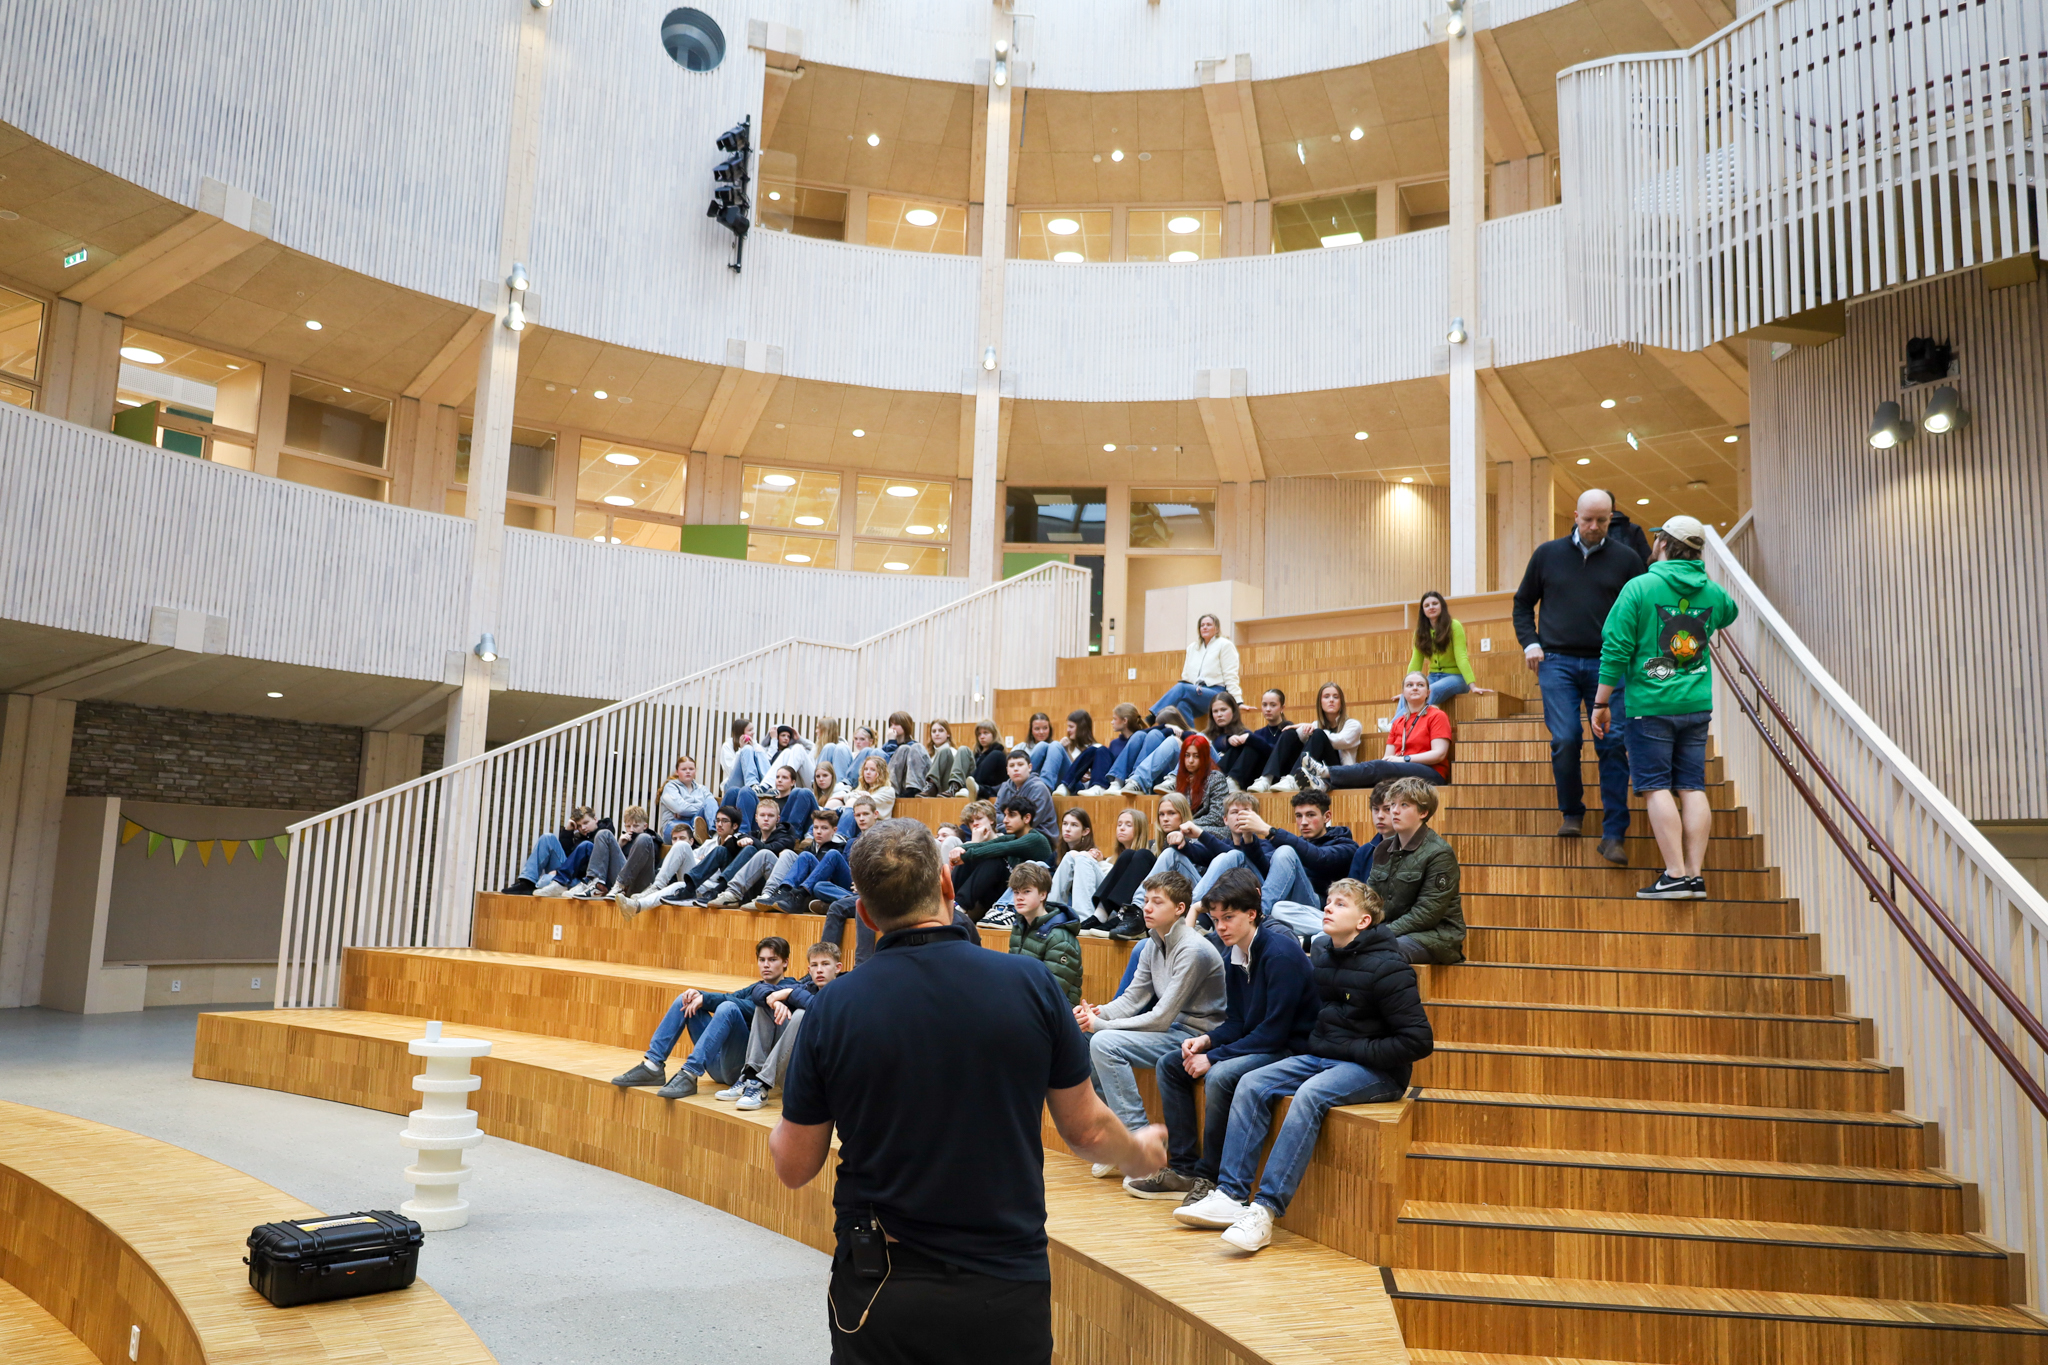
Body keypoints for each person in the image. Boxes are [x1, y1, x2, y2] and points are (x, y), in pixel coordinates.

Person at [769, 819, 1165, 1365]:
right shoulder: (1030, 984)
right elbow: (1088, 1128)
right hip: (1005, 1283)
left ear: (863, 913)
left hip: (882, 1282)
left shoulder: (834, 1007)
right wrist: (1140, 1154)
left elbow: (794, 1166)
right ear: (948, 888)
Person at [1174, 878, 1431, 1253]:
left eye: (1340, 904)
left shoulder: (1391, 968)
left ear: (1363, 921)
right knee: (1251, 1082)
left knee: (1309, 1096)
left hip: (1378, 1072)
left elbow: (1417, 1041)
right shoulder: (1325, 951)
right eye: (1328, 901)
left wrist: (1350, 1047)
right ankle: (1230, 1195)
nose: (1327, 907)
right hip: (1325, 1055)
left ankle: (1264, 1212)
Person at [1125, 867, 1318, 1206]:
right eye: (1215, 920)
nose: (1221, 927)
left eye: (1228, 918)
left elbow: (1273, 1033)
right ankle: (1183, 1169)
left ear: (1252, 914)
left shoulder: (1281, 953)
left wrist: (1213, 1057)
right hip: (1264, 1039)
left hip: (1292, 1048)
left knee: (1221, 1076)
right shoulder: (1234, 954)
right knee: (1171, 1064)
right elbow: (1238, 1022)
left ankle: (1209, 1178)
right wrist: (1207, 1041)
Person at [1594, 514, 1738, 900]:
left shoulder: (1639, 587)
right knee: (1692, 786)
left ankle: (1674, 874)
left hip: (1651, 705)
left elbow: (1616, 648)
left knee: (1654, 787)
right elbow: (1729, 612)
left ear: (1662, 544)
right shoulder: (1710, 590)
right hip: (1695, 704)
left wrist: (1601, 702)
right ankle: (1694, 875)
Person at [1513, 488, 1646, 864]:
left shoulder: (1627, 559)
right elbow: (1523, 604)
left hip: (1609, 663)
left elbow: (1643, 610)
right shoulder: (1547, 555)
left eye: (1602, 521)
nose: (1593, 527)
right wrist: (1530, 643)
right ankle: (1572, 812)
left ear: (1611, 519)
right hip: (1556, 661)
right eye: (1587, 519)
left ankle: (1615, 832)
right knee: (1567, 738)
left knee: (1613, 742)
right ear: (1575, 515)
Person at [1074, 869, 1226, 1175]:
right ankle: (1118, 1143)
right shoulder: (1151, 943)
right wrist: (1097, 1013)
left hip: (1197, 1036)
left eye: (1157, 902)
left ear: (1180, 909)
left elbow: (1160, 1018)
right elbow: (1132, 1000)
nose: (1147, 907)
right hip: (1172, 1030)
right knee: (1083, 1040)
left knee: (1103, 1042)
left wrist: (1101, 1026)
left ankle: (1142, 1149)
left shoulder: (1193, 949)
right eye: (1146, 901)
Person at [610, 935, 805, 1099]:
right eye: (762, 960)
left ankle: (689, 1073)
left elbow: (748, 1007)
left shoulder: (790, 990)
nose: (766, 965)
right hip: (717, 1062)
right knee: (685, 999)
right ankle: (652, 1065)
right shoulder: (756, 987)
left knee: (728, 1008)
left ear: (785, 962)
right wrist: (698, 994)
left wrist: (706, 999)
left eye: (772, 960)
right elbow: (732, 996)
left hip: (742, 1069)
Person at [1197, 789, 1357, 938]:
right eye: (1299, 816)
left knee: (1286, 851)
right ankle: (1190, 912)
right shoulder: (1297, 843)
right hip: (1281, 904)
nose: (1304, 822)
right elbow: (1266, 868)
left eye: (1310, 815)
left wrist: (1268, 830)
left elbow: (1319, 858)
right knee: (1233, 855)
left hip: (1312, 905)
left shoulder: (1345, 844)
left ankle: (1257, 916)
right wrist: (1248, 837)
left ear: (1327, 817)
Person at [717, 940, 843, 1111]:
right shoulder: (805, 987)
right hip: (793, 1073)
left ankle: (761, 1082)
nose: (819, 969)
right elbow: (759, 991)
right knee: (765, 1007)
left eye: (825, 964)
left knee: (800, 1014)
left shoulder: (845, 992)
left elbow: (822, 1009)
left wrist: (790, 993)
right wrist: (775, 1000)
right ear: (809, 970)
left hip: (822, 1079)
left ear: (838, 968)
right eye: (814, 965)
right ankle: (751, 1076)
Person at [1368, 776, 1466, 965]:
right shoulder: (1383, 847)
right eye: (1393, 804)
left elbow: (1426, 914)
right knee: (1326, 943)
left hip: (1435, 937)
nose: (1394, 811)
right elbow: (1369, 898)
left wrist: (1379, 933)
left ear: (1423, 812)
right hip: (1391, 930)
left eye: (1404, 805)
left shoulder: (1439, 853)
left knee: (1383, 951)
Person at [1300, 671, 1454, 790]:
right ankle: (1325, 785)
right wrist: (1395, 762)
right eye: (1410, 685)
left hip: (1432, 774)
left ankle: (1325, 772)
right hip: (1402, 773)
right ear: (1403, 693)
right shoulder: (1398, 722)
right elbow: (1388, 758)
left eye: (1420, 685)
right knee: (1376, 775)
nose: (1414, 687)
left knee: (1379, 767)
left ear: (1428, 692)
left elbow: (1439, 754)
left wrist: (1403, 760)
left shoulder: (1437, 715)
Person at [620, 803, 747, 914]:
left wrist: (702, 861)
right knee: (681, 845)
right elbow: (690, 859)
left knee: (680, 885)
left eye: (724, 821)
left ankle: (638, 906)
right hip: (697, 881)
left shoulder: (740, 842)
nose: (719, 824)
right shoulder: (710, 842)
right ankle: (657, 886)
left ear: (734, 826)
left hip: (714, 887)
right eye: (717, 820)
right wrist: (701, 861)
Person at [949, 794, 1056, 923]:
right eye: (1005, 815)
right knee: (971, 858)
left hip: (1025, 897)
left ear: (1027, 818)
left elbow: (1002, 848)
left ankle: (961, 905)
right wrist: (961, 850)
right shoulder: (1011, 837)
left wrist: (965, 855)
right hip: (1003, 893)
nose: (1005, 820)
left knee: (995, 861)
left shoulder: (1036, 839)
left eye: (1011, 815)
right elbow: (985, 845)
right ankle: (949, 902)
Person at [1247, 682, 1362, 793]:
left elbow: (1339, 741)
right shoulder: (1316, 724)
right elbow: (1299, 737)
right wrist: (1299, 728)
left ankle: (1293, 778)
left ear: (1341, 702)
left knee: (1318, 734)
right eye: (1326, 697)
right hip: (1316, 772)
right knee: (1290, 733)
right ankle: (1266, 778)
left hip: (1338, 773)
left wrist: (1310, 728)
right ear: (1320, 702)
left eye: (1335, 697)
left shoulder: (1353, 725)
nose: (1331, 700)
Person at [1396, 590, 1491, 718]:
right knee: (1409, 692)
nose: (1431, 607)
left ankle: (1395, 725)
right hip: (1433, 676)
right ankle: (1398, 726)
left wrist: (1472, 686)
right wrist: (1405, 689)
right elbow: (1416, 661)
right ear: (1423, 610)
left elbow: (1461, 657)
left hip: (1456, 677)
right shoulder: (1420, 632)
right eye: (1427, 605)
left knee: (1429, 691)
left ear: (1442, 606)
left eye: (1435, 603)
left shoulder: (1454, 626)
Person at [1005, 862, 1084, 1005]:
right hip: (1025, 1005)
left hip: (1054, 1016)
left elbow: (1052, 991)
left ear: (1043, 895)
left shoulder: (1060, 937)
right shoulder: (1019, 926)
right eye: (1016, 892)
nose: (1019, 897)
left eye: (1026, 891)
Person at [700, 793, 796, 907]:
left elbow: (768, 849)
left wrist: (748, 839)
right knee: (722, 850)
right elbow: (732, 850)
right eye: (762, 815)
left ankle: (725, 891)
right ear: (756, 818)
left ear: (777, 819)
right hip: (749, 888)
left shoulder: (786, 836)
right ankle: (693, 887)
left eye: (770, 816)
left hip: (773, 887)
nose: (766, 819)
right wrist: (735, 839)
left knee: (757, 851)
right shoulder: (753, 834)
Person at [1076, 808, 1156, 941]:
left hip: (1141, 909)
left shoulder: (1151, 854)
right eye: (1119, 825)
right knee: (1127, 854)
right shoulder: (1115, 858)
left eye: (1128, 825)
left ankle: (1122, 916)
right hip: (1114, 909)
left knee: (1140, 854)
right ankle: (1099, 916)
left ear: (1140, 829)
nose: (1122, 828)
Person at [552, 804, 661, 900]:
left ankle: (619, 885)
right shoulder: (625, 839)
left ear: (645, 826)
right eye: (628, 826)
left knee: (644, 838)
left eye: (636, 826)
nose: (631, 829)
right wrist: (620, 845)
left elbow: (644, 867)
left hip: (641, 884)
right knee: (604, 833)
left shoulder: (652, 841)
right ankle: (595, 882)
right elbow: (616, 864)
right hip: (618, 887)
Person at [1148, 613, 1243, 723]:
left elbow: (1230, 674)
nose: (1205, 627)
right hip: (1196, 691)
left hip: (1217, 693)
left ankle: (1153, 716)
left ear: (1216, 629)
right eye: (1202, 625)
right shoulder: (1192, 648)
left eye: (1208, 624)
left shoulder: (1225, 645)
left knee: (1182, 688)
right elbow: (1186, 676)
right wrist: (1193, 688)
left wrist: (1237, 701)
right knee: (1181, 705)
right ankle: (1191, 736)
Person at [755, 808, 852, 915]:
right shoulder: (809, 850)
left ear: (834, 830)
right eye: (816, 827)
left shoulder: (841, 847)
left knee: (832, 854)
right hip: (818, 888)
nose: (819, 832)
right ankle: (783, 892)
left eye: (824, 828)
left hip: (838, 886)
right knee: (805, 856)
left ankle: (800, 895)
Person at [505, 806, 600, 895]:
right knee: (547, 837)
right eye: (579, 826)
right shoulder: (579, 838)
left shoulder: (603, 837)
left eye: (586, 823)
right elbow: (565, 857)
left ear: (595, 820)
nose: (582, 828)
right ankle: (528, 882)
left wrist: (558, 872)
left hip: (581, 883)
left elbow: (591, 867)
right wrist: (568, 831)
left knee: (546, 880)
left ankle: (541, 884)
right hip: (565, 876)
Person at [1151, 792, 1231, 896]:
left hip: (1199, 894)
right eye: (1161, 814)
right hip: (1167, 896)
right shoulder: (1154, 845)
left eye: (1171, 813)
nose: (1165, 819)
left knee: (1170, 853)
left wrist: (1184, 844)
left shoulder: (1200, 840)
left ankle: (1140, 905)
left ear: (1183, 815)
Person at [992, 748, 1058, 842]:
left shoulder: (1039, 788)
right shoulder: (1005, 787)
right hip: (1010, 834)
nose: (1015, 769)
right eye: (1012, 765)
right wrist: (1013, 820)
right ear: (1007, 770)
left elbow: (1030, 823)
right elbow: (994, 814)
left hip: (1039, 838)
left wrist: (1003, 823)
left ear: (1030, 767)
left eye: (1020, 764)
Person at [1048, 808, 1106, 913]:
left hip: (1087, 902)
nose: (1067, 829)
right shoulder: (1058, 853)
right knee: (1033, 864)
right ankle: (1010, 907)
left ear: (1085, 831)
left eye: (1074, 825)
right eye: (1065, 824)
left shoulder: (1092, 854)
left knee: (1073, 855)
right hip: (1064, 899)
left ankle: (1052, 912)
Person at [1046, 710, 1109, 797]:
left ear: (1081, 728)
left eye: (1071, 727)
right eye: (1068, 726)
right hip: (1064, 786)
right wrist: (1066, 750)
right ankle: (1047, 786)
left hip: (1083, 788)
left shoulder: (1097, 749)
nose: (1068, 730)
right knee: (1055, 746)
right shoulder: (1068, 746)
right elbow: (1070, 770)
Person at [1173, 732, 1229, 827]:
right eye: (1187, 755)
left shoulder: (1216, 778)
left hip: (1212, 830)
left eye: (1196, 756)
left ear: (1204, 757)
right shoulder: (1181, 779)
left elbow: (1217, 817)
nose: (1190, 760)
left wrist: (1185, 825)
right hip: (1185, 829)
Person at [657, 756, 718, 842]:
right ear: (677, 772)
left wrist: (685, 812)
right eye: (684, 769)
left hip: (695, 823)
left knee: (710, 802)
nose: (688, 771)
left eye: (691, 769)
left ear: (695, 772)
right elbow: (681, 808)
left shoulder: (702, 789)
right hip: (674, 824)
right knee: (684, 832)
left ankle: (715, 834)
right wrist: (702, 808)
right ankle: (699, 838)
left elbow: (712, 805)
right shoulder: (670, 787)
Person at [1203, 693, 1255, 790]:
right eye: (1215, 711)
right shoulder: (1207, 735)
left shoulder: (1245, 733)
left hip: (1228, 775)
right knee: (1198, 738)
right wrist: (1228, 740)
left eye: (1223, 710)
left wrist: (1231, 740)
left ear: (1234, 711)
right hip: (1207, 773)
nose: (1219, 715)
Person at [718, 718, 771, 802]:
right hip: (733, 785)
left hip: (756, 786)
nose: (753, 732)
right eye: (750, 730)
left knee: (758, 749)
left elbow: (767, 762)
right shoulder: (727, 746)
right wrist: (741, 750)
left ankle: (768, 785)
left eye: (753, 729)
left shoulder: (755, 745)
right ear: (741, 733)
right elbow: (730, 770)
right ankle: (752, 785)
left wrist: (756, 748)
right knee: (747, 749)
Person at [923, 719, 977, 798]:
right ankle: (930, 788)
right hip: (935, 792)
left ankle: (953, 788)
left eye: (941, 731)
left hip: (949, 789)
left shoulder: (954, 752)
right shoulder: (928, 755)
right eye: (934, 731)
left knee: (945, 751)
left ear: (948, 734)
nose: (937, 734)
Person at [883, 711, 926, 796]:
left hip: (905, 782)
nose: (893, 727)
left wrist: (892, 742)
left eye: (896, 724)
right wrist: (892, 742)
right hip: (888, 782)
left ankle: (913, 789)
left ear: (905, 726)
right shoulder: (887, 745)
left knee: (904, 748)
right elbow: (889, 764)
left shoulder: (913, 746)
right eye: (891, 725)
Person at [764, 723, 816, 792]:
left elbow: (815, 748)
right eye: (783, 735)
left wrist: (800, 739)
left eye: (788, 736)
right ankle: (765, 786)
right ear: (777, 736)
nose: (786, 738)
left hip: (807, 783)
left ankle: (786, 781)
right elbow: (768, 761)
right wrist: (774, 740)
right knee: (786, 752)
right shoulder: (767, 750)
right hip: (793, 785)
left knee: (797, 747)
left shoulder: (795, 750)